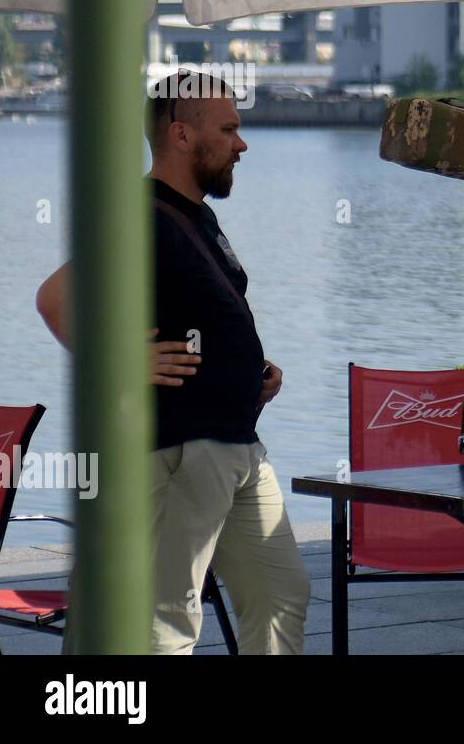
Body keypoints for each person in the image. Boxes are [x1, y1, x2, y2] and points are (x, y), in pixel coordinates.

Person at [35, 69, 309, 654]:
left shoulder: (193, 214)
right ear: (182, 135)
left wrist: (247, 372)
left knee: (282, 593)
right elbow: (55, 299)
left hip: (237, 445)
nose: (243, 143)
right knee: (162, 623)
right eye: (230, 128)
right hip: (181, 450)